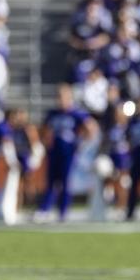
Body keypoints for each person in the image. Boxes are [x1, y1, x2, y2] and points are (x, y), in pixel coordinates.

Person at [37, 84, 93, 222]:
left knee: (65, 182)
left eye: (64, 97)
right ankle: (45, 209)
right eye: (59, 97)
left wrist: (81, 144)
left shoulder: (76, 114)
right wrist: (45, 143)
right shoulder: (53, 114)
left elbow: (91, 128)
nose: (61, 100)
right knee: (51, 181)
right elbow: (43, 130)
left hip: (68, 153)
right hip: (54, 151)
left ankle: (63, 211)